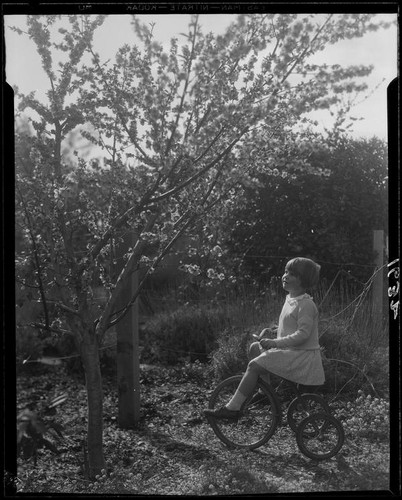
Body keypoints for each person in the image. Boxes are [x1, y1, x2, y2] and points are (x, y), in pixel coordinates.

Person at [204, 257, 325, 420]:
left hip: (301, 358)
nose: (285, 276)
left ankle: (233, 408)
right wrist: (278, 330)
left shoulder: (306, 305)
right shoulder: (291, 299)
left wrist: (275, 342)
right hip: (291, 352)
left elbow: (303, 335)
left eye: (292, 274)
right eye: (286, 272)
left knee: (254, 366)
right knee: (255, 348)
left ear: (303, 281)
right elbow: (294, 326)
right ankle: (264, 393)